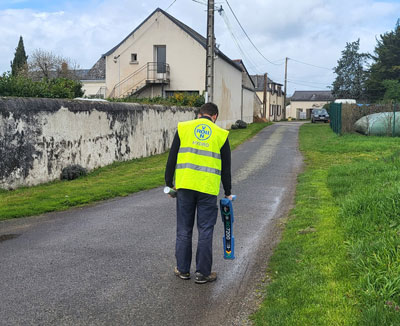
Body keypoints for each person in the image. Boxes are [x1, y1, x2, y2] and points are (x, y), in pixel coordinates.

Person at [165, 102, 233, 284]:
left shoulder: (184, 128)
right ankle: (203, 273)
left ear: (199, 114)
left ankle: (183, 270)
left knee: (184, 229)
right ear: (215, 116)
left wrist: (169, 184)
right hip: (207, 189)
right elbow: (226, 168)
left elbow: (172, 158)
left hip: (185, 187)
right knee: (205, 230)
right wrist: (227, 192)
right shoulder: (220, 134)